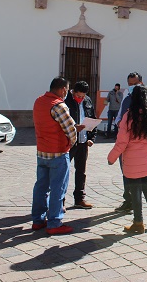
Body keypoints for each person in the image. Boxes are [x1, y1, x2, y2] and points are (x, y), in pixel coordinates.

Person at [31, 77, 84, 235]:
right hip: (58, 152)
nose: (67, 93)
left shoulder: (39, 101)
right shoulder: (59, 105)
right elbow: (70, 130)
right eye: (67, 90)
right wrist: (72, 143)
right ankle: (54, 222)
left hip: (42, 152)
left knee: (41, 187)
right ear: (63, 90)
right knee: (58, 188)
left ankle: (38, 220)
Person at [108, 85, 147, 233]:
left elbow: (122, 142)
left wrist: (111, 158)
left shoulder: (129, 116)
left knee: (135, 192)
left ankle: (138, 222)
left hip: (132, 162)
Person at [114, 72, 144, 213]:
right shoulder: (127, 97)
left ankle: (137, 204)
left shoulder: (146, 100)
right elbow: (119, 116)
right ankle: (128, 200)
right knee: (126, 172)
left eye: (135, 84)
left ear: (141, 83)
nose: (132, 87)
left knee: (138, 175)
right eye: (130, 84)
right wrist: (120, 122)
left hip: (139, 145)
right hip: (124, 143)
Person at [64, 80, 97, 209]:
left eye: (83, 96)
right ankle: (60, 201)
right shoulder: (66, 100)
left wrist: (91, 137)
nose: (81, 98)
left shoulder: (87, 100)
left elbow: (92, 118)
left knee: (81, 172)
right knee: (64, 171)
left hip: (83, 142)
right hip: (69, 142)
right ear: (73, 92)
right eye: (79, 96)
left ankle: (79, 199)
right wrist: (73, 128)